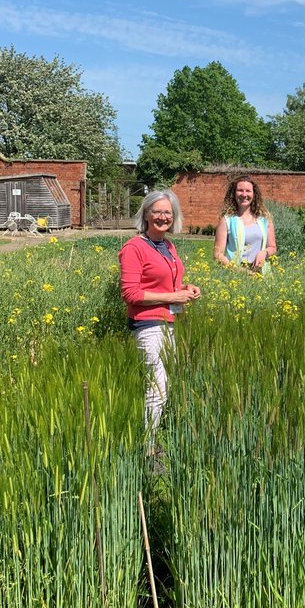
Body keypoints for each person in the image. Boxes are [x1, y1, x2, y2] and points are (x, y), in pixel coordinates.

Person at [119, 189, 201, 442]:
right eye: (158, 211)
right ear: (146, 214)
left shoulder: (167, 245)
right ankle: (148, 445)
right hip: (148, 325)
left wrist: (185, 289)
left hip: (169, 323)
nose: (163, 217)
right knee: (158, 386)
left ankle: (155, 438)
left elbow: (163, 284)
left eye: (168, 212)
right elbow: (130, 294)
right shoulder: (134, 248)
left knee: (165, 383)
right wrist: (173, 297)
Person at [214, 175, 277, 273]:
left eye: (248, 191)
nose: (244, 194)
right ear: (234, 193)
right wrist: (238, 270)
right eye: (240, 190)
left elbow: (272, 247)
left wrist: (264, 253)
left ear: (254, 194)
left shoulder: (265, 219)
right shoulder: (226, 220)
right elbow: (218, 254)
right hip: (235, 277)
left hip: (262, 276)